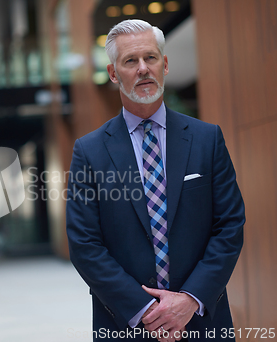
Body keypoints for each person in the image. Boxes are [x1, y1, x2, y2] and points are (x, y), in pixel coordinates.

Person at [65, 19, 244, 342]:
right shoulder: (89, 152)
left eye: (150, 58)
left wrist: (189, 300)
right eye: (130, 61)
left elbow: (230, 225)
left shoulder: (207, 139)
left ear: (165, 65)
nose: (143, 68)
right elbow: (84, 245)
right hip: (126, 325)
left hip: (203, 321)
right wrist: (147, 310)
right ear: (113, 74)